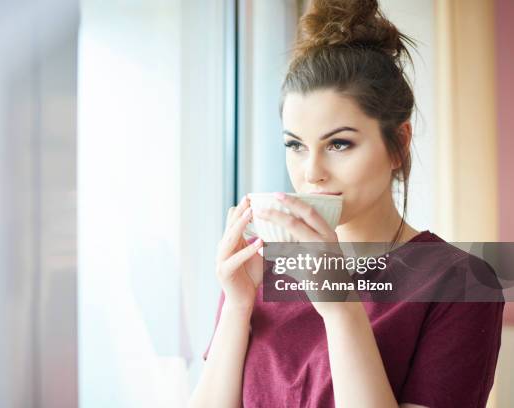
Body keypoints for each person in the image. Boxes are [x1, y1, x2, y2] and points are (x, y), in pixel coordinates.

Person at [188, 0, 504, 407]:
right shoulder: (257, 270)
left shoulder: (462, 284)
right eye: (295, 145)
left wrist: (340, 307)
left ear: (399, 144)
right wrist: (237, 305)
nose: (312, 172)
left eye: (339, 144)